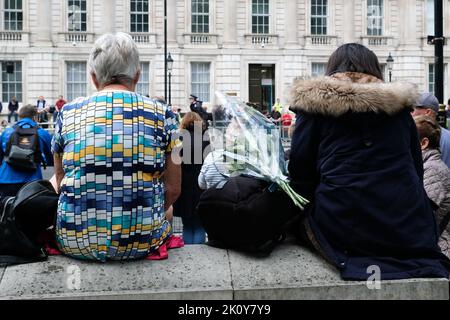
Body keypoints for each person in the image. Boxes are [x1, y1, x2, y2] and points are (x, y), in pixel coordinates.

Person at [288, 43, 450, 280]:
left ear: (331, 70)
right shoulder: (401, 112)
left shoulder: (314, 109)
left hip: (341, 223)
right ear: (376, 71)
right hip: (406, 227)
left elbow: (300, 176)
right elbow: (415, 170)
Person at [51, 32, 181, 262]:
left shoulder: (66, 113)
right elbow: (174, 189)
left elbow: (60, 180)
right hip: (142, 241)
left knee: (54, 180)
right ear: (138, 76)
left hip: (73, 240)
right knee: (167, 209)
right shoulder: (166, 115)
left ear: (93, 77)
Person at [414, 115, 450, 259]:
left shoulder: (433, 170)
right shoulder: (427, 166)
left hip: (441, 250)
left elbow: (420, 214)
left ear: (423, 143)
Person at [0, 104, 53, 200]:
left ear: (20, 116)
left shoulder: (6, 132)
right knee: (29, 213)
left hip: (6, 179)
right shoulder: (42, 133)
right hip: (31, 182)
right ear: (35, 117)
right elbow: (51, 157)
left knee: (6, 211)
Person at [173, 112, 209, 244]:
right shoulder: (205, 139)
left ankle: (189, 255)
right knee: (200, 225)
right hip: (201, 185)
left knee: (187, 225)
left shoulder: (178, 139)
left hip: (184, 186)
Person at [411, 92, 450, 169]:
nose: (410, 114)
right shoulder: (448, 135)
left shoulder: (416, 135)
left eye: (412, 110)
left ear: (428, 112)